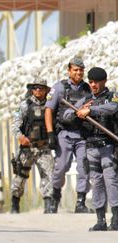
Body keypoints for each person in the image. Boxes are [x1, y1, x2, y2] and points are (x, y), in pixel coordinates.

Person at [63, 67, 118, 231]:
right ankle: (100, 220)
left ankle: (116, 219)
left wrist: (91, 110)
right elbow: (66, 114)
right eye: (91, 82)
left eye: (97, 82)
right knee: (97, 183)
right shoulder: (86, 100)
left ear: (104, 81)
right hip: (91, 146)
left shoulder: (112, 96)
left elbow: (112, 108)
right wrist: (77, 113)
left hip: (108, 146)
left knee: (111, 181)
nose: (93, 85)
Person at [44, 57, 91, 213]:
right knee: (61, 166)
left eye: (81, 70)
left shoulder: (88, 89)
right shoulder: (59, 88)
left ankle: (80, 202)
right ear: (69, 71)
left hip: (83, 134)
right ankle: (55, 196)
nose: (78, 73)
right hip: (64, 133)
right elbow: (49, 110)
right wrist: (50, 133)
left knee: (84, 166)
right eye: (75, 70)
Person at [10, 79, 55, 214]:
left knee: (49, 176)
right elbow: (15, 125)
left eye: (41, 88)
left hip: (44, 147)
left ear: (46, 90)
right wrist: (21, 137)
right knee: (20, 176)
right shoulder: (25, 106)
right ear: (31, 90)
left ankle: (48, 205)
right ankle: (15, 203)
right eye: (35, 88)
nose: (38, 91)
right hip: (27, 148)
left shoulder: (50, 105)